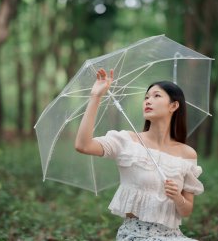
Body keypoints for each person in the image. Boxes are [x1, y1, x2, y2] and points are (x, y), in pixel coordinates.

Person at [75, 68, 204, 240]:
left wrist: (177, 197)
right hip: (135, 234)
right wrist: (96, 96)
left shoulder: (187, 154)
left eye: (156, 96)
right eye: (146, 97)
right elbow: (83, 145)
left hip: (173, 235)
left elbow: (186, 211)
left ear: (174, 105)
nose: (148, 101)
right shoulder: (127, 141)